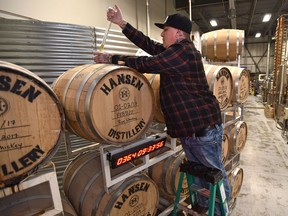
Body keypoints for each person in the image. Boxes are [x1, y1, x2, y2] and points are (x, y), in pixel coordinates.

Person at [94, 5, 231, 215]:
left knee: (214, 176)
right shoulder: (174, 52)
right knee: (201, 179)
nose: (161, 33)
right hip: (191, 132)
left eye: (165, 30)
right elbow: (148, 45)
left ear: (178, 33)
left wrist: (112, 58)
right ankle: (207, 211)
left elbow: (149, 63)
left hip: (203, 132)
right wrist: (121, 23)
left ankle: (224, 212)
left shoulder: (184, 52)